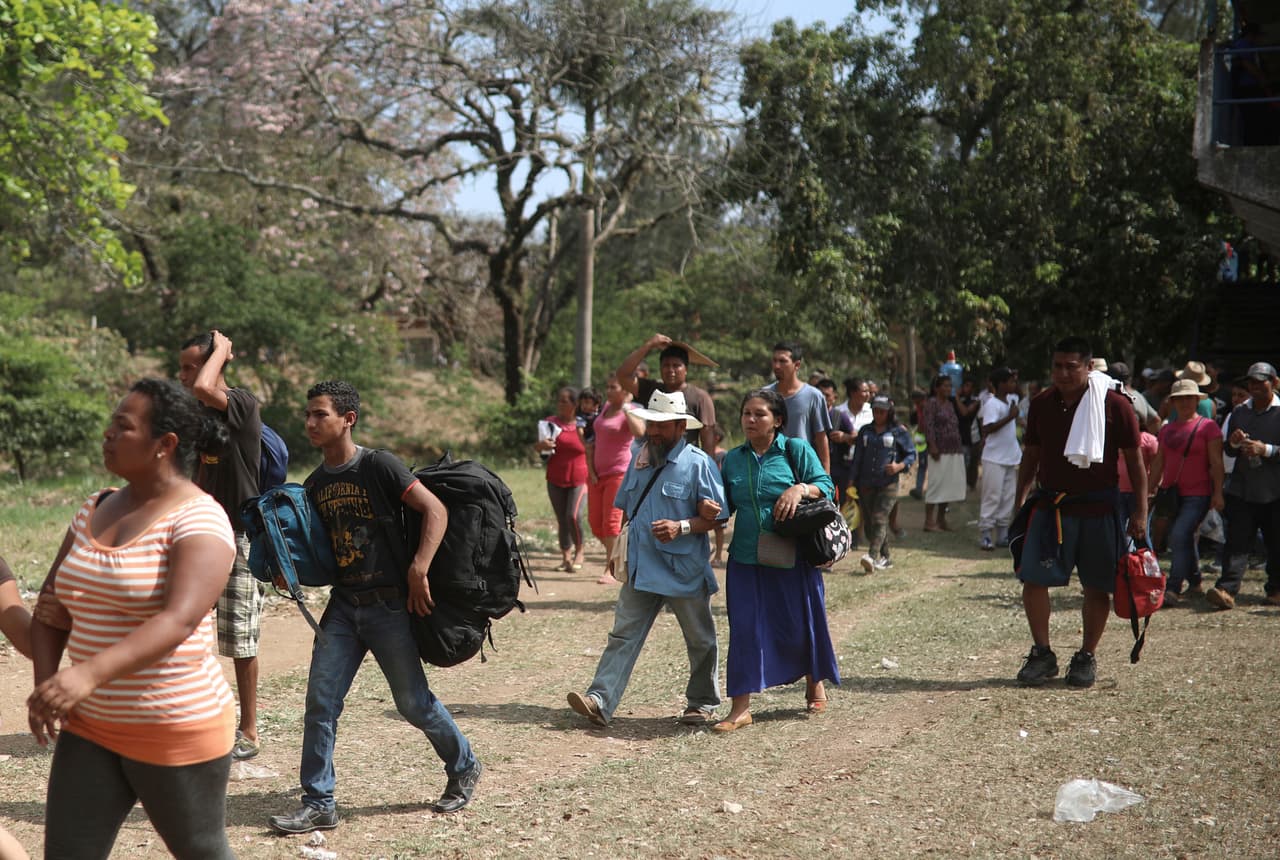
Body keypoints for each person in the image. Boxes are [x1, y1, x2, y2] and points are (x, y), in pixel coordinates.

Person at [27, 378, 239, 858]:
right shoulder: (94, 508)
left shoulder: (199, 520)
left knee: (201, 850)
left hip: (174, 723)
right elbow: (50, 609)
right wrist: (49, 686)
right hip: (90, 724)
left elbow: (179, 620)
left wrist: (88, 673)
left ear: (164, 445)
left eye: (123, 427)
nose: (107, 435)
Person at [269, 380, 480, 835]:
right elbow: (323, 557)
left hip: (389, 606)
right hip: (344, 608)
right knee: (320, 704)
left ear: (348, 419)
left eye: (320, 414)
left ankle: (463, 765)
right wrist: (291, 572)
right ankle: (319, 801)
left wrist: (419, 569)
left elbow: (435, 510)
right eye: (307, 415)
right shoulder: (316, 484)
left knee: (413, 704)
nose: (310, 423)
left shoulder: (379, 465)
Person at [566, 390, 727, 728]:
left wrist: (682, 526)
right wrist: (619, 553)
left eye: (663, 426)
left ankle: (702, 703)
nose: (654, 432)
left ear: (681, 426)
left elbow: (716, 518)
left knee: (700, 639)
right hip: (641, 566)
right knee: (623, 634)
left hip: (683, 569)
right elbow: (629, 510)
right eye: (652, 424)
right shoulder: (640, 457)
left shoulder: (699, 463)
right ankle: (600, 700)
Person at [1013, 337, 1146, 688]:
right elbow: (1031, 455)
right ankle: (1042, 654)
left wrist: (1141, 512)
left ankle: (1086, 656)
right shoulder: (1041, 403)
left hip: (1101, 509)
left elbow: (1135, 462)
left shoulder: (1115, 405)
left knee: (1097, 587)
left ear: (1089, 367)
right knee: (1033, 581)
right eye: (1057, 365)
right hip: (1051, 506)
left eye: (1071, 366)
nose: (1063, 373)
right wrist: (1019, 499)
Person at [716, 389, 840, 731]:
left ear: (778, 420)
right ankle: (740, 707)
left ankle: (814, 681)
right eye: (746, 414)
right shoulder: (734, 459)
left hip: (791, 554)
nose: (751, 420)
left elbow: (825, 486)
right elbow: (724, 505)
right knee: (743, 628)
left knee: (800, 620)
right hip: (744, 556)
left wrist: (800, 488)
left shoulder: (794, 449)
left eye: (760, 414)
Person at [177, 329, 266, 762]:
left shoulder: (244, 404)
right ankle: (196, 716)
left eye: (190, 365)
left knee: (240, 636)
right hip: (202, 533)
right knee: (182, 627)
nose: (183, 377)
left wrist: (224, 349)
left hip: (241, 533)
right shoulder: (197, 413)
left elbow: (203, 386)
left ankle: (247, 729)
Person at [1206, 362, 1280, 610]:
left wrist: (1266, 450)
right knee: (1237, 541)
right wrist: (1235, 443)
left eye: (1261, 381)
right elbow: (1227, 449)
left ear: (1275, 383)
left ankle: (1276, 589)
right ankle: (1226, 589)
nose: (1255, 387)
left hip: (1275, 491)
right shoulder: (1239, 412)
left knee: (1276, 542)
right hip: (1243, 488)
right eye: (1252, 382)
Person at [1147, 379, 1225, 604]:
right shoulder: (1166, 430)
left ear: (1196, 400)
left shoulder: (1208, 427)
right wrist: (1149, 492)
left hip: (1198, 493)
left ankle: (1173, 588)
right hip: (1171, 493)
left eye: (1189, 397)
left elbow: (1217, 463)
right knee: (1185, 538)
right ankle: (1196, 581)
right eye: (1179, 398)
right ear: (1172, 402)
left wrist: (1218, 492)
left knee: (1179, 535)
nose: (1184, 402)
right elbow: (1158, 463)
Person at [615, 334, 717, 451]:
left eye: (676, 365)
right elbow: (623, 375)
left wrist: (709, 466)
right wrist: (648, 345)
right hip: (653, 461)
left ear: (686, 369)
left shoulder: (700, 397)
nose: (670, 370)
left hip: (684, 463)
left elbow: (708, 440)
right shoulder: (653, 391)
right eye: (666, 365)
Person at [585, 378, 642, 585]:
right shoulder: (606, 408)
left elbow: (640, 432)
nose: (608, 390)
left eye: (613, 387)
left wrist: (627, 407)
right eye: (607, 386)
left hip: (619, 473)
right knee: (595, 524)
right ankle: (620, 555)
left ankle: (611, 569)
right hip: (597, 474)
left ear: (624, 390)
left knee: (611, 524)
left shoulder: (631, 409)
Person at [852, 396, 915, 572]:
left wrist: (899, 466)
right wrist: (852, 480)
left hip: (888, 483)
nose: (878, 414)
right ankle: (886, 557)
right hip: (865, 483)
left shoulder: (898, 432)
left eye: (882, 411)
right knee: (871, 525)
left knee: (880, 518)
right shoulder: (865, 431)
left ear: (889, 412)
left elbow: (911, 454)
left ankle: (871, 556)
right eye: (875, 410)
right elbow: (857, 458)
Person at [533, 386, 587, 572]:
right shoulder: (549, 423)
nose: (559, 404)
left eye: (564, 401)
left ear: (575, 404)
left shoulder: (584, 424)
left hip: (580, 479)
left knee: (573, 515)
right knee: (562, 519)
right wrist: (541, 445)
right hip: (555, 478)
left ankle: (580, 550)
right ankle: (566, 557)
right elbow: (541, 451)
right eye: (558, 400)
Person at [765, 342, 832, 473]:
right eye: (774, 360)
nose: (777, 366)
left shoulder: (813, 396)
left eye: (783, 361)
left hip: (802, 472)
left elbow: (821, 438)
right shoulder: (764, 395)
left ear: (797, 365)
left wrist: (825, 479)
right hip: (770, 470)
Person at [978, 368, 1021, 550]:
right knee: (992, 496)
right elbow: (987, 429)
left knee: (1008, 497)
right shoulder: (991, 404)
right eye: (1010, 381)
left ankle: (1003, 534)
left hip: (1011, 456)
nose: (1014, 385)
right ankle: (986, 533)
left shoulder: (1013, 400)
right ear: (1001, 384)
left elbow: (1018, 420)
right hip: (994, 457)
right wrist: (1009, 417)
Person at [921, 374, 966, 531]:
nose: (948, 388)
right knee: (936, 485)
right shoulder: (931, 403)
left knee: (948, 486)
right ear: (937, 388)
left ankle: (941, 519)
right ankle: (929, 521)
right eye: (945, 385)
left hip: (954, 449)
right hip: (938, 450)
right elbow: (929, 425)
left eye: (950, 386)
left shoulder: (950, 404)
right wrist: (932, 445)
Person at [818, 378, 855, 504]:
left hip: (840, 467)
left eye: (826, 395)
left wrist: (845, 437)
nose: (823, 398)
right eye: (819, 394)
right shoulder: (810, 415)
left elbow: (855, 438)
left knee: (843, 503)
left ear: (834, 397)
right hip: (817, 468)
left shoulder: (840, 416)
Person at [1108, 362, 1160, 435]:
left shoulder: (1116, 397)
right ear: (1129, 378)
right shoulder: (1139, 396)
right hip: (1138, 441)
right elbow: (1156, 420)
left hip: (1125, 442)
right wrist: (1145, 438)